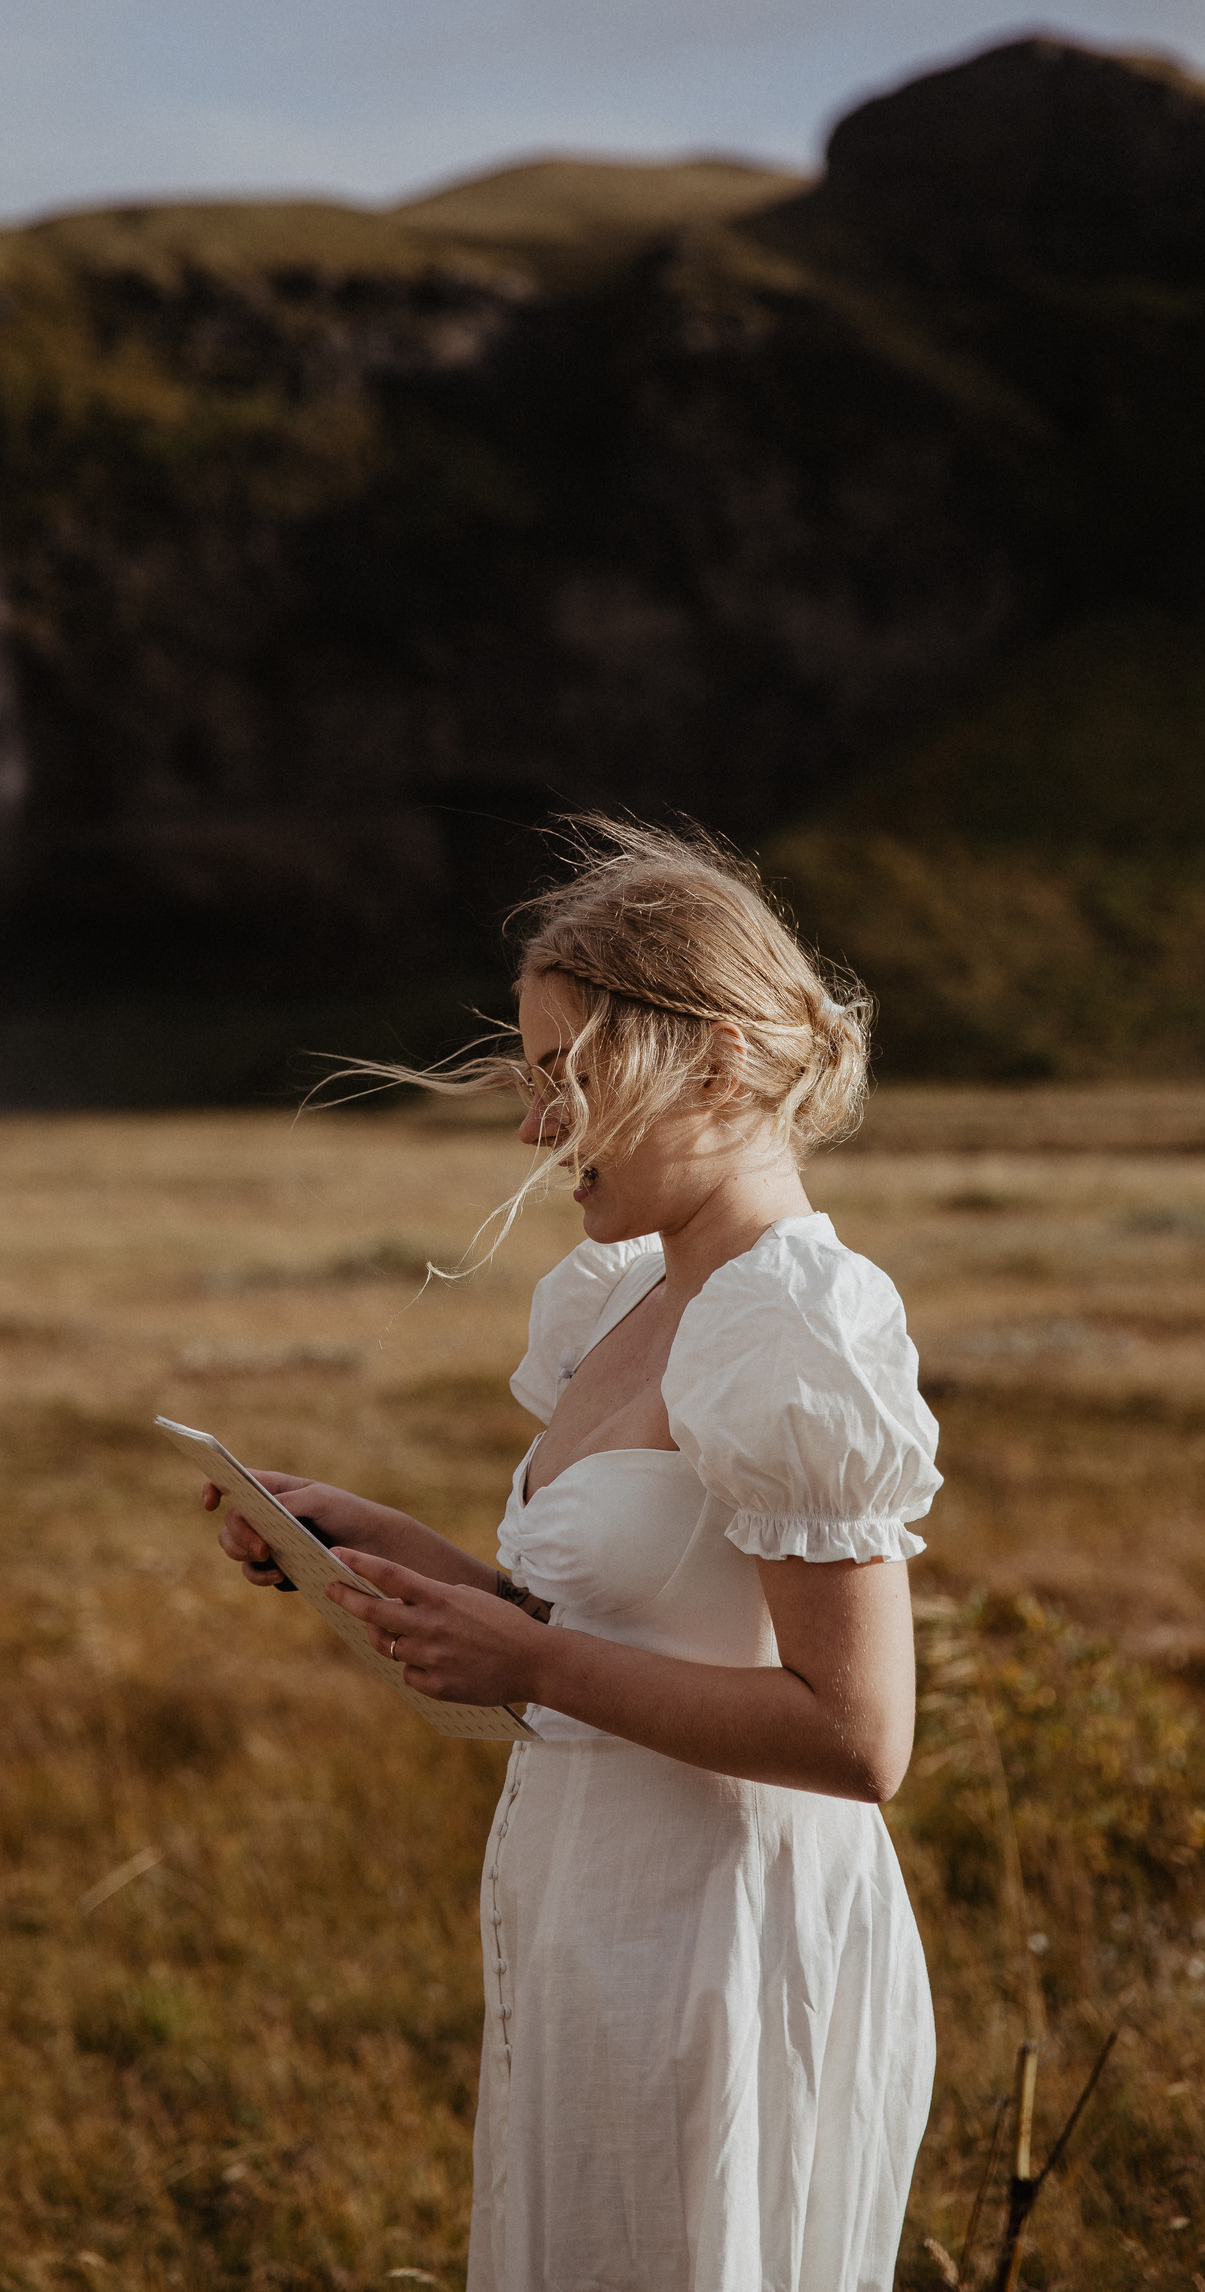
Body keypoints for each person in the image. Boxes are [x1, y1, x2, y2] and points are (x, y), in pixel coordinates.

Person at [203, 821, 941, 2292]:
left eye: (571, 1075)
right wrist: (390, 1551)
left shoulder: (794, 1321)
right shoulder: (629, 1302)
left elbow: (859, 1740)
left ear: (722, 1063)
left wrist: (527, 1656)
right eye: (534, 1080)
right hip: (594, 1922)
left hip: (724, 1949)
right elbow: (633, 1623)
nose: (539, 1131)